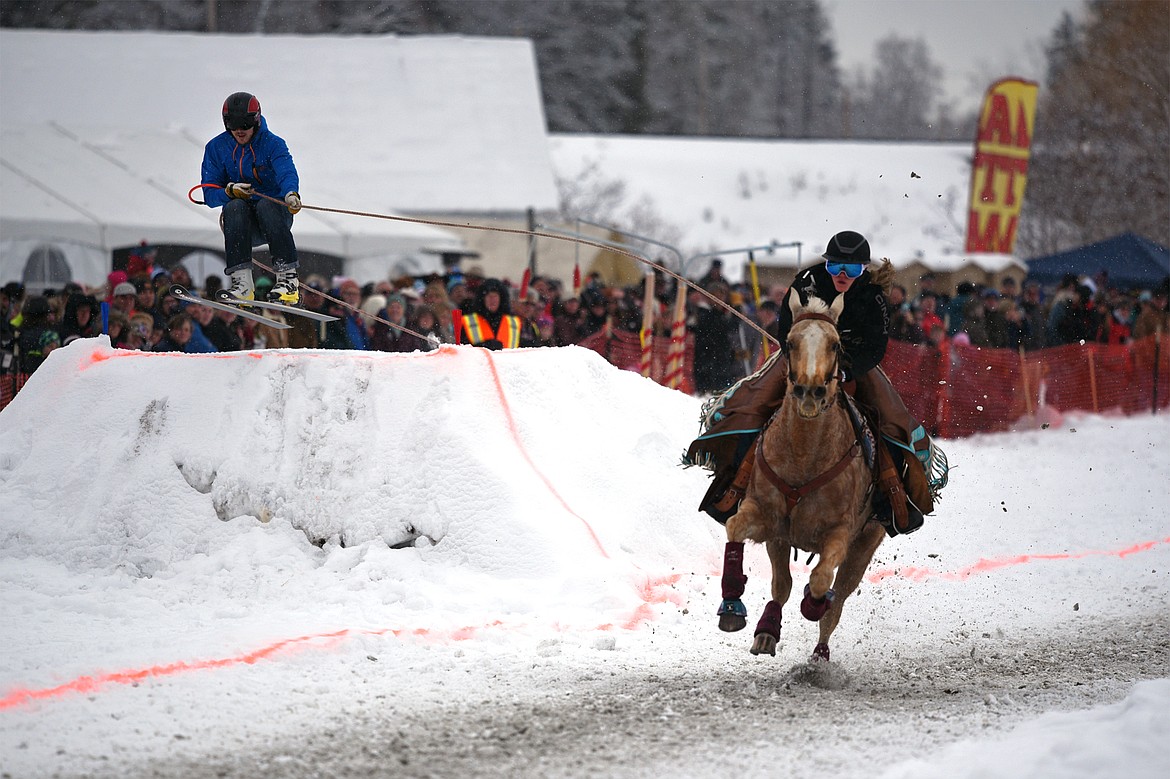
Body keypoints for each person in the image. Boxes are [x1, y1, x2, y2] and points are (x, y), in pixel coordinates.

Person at [684, 230, 939, 538]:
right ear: (826, 265)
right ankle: (733, 484)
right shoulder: (806, 281)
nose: (842, 275)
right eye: (835, 267)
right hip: (801, 357)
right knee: (753, 401)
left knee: (889, 419)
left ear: (863, 270)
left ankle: (891, 497)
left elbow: (875, 347)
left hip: (851, 365)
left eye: (852, 269)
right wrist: (797, 356)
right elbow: (785, 327)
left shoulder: (873, 296)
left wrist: (845, 371)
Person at [200, 92, 302, 304]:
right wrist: (228, 192)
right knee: (234, 206)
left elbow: (286, 172)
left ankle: (288, 280)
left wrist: (291, 193)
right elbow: (209, 195)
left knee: (266, 204)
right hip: (242, 224)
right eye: (233, 124)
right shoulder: (216, 148)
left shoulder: (273, 144)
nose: (239, 130)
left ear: (255, 120)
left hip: (275, 217)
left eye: (245, 123)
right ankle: (242, 284)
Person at [458, 278, 524, 349]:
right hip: (480, 359)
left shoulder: (515, 322)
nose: (492, 300)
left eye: (495, 296)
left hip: (508, 360)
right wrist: (483, 346)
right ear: (483, 299)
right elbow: (462, 350)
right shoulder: (467, 321)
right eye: (489, 296)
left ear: (501, 299)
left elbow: (521, 347)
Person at [14, 296, 60, 374]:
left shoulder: (18, 332)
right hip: (42, 377)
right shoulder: (49, 335)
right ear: (45, 314)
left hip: (20, 378)